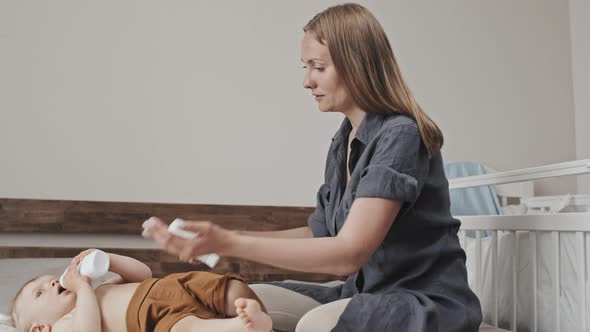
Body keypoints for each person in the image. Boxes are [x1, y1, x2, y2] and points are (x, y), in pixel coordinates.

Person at [143, 3, 482, 331]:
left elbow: (349, 253)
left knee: (316, 325)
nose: (307, 81)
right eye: (305, 67)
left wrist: (230, 242)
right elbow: (320, 234)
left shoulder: (401, 136)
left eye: (318, 67)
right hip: (362, 295)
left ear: (356, 64)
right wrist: (220, 240)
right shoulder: (343, 140)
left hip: (423, 302)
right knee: (236, 300)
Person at [10, 249, 272, 332]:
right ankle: (241, 325)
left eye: (51, 279)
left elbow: (142, 274)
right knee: (190, 328)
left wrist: (108, 258)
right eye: (40, 293)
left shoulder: (100, 290)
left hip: (169, 284)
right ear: (39, 329)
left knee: (230, 289)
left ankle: (253, 313)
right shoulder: (64, 325)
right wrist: (84, 288)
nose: (53, 283)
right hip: (155, 317)